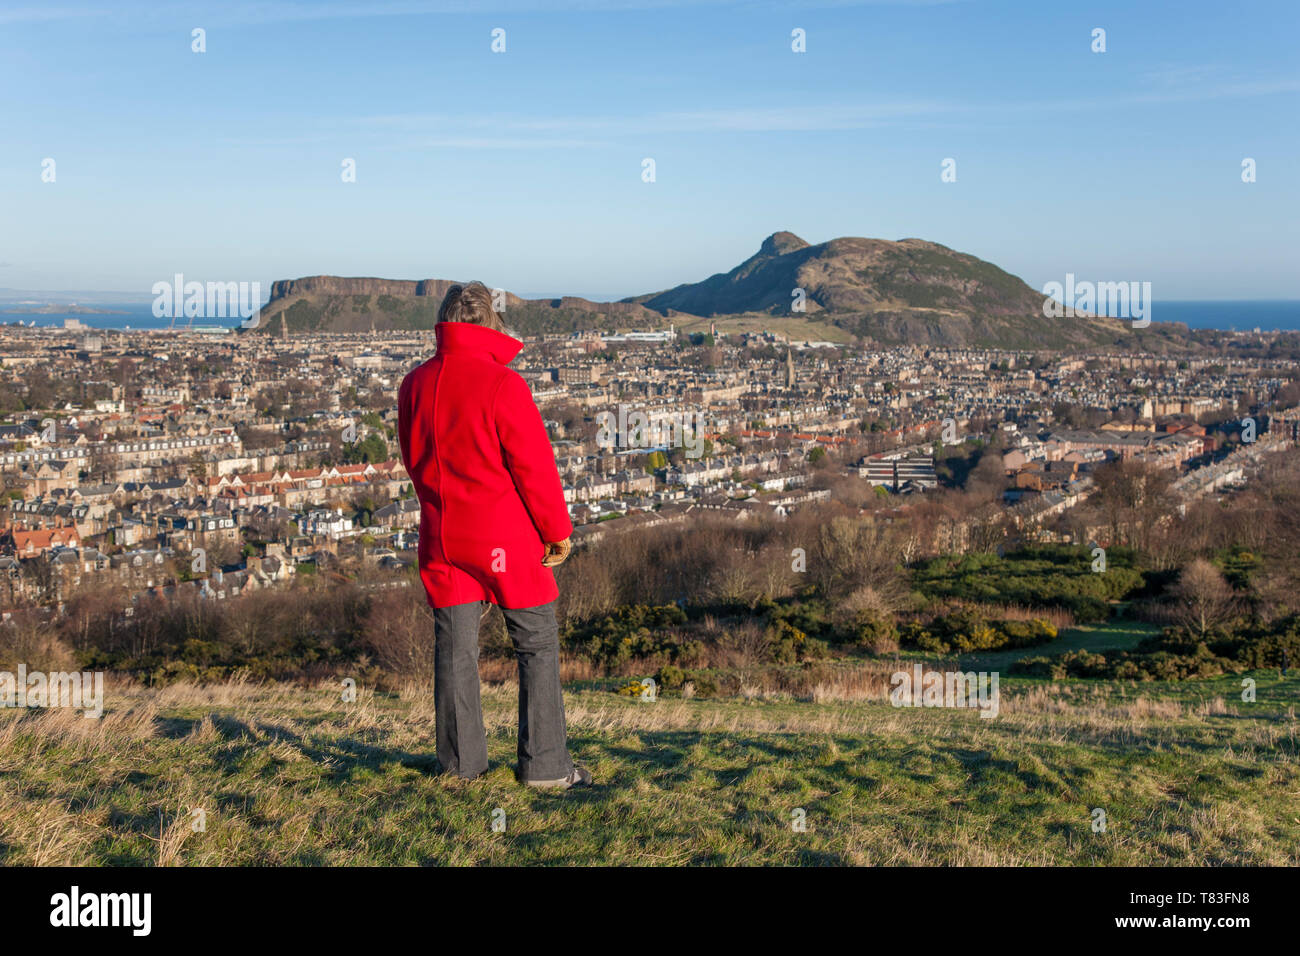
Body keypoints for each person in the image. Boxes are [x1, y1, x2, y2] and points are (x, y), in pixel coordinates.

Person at [397, 281, 591, 789]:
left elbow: (414, 460)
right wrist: (557, 531)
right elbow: (535, 469)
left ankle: (461, 767)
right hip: (507, 536)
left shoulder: (413, 385)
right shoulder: (504, 385)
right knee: (536, 644)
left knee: (455, 649)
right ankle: (545, 765)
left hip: (443, 533)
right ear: (488, 325)